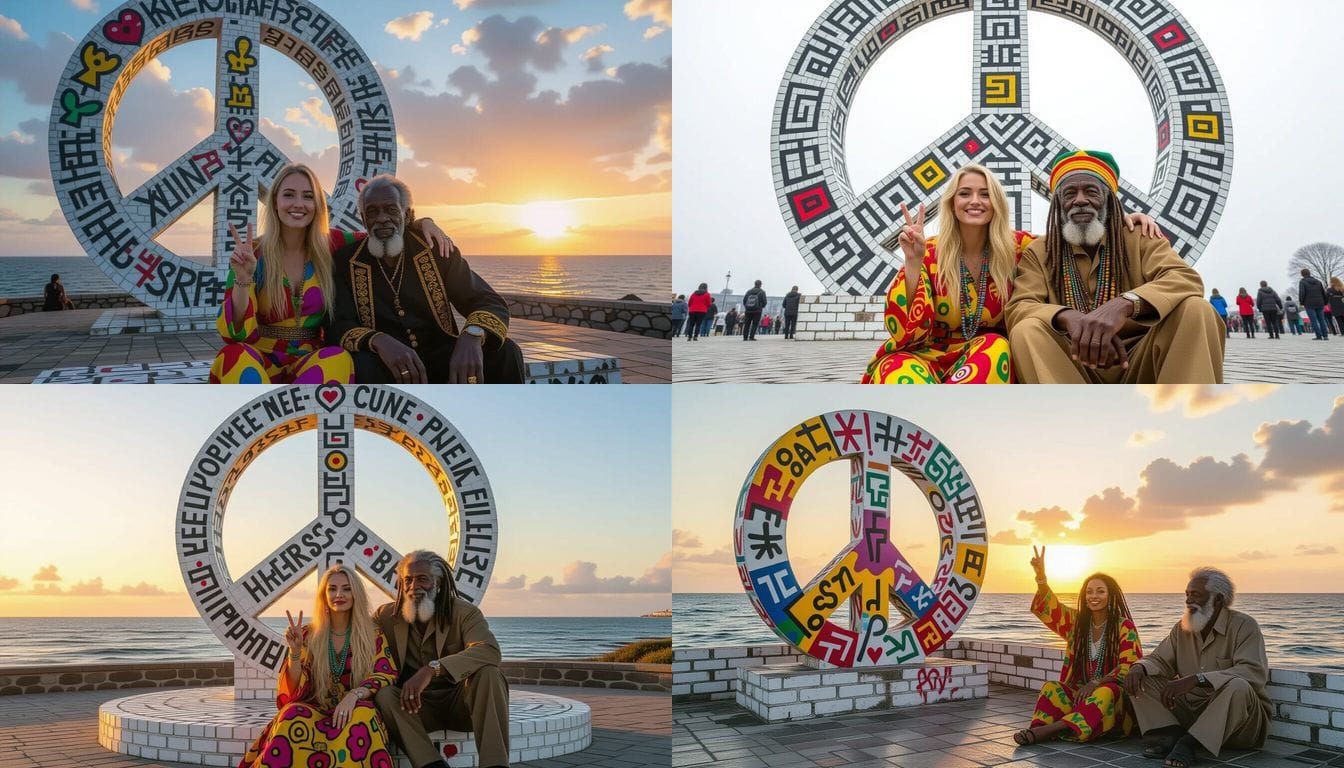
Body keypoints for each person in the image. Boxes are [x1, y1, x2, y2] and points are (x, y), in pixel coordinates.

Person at [865, 162, 1161, 384]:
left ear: (996, 203)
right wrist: (913, 261)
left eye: (985, 194)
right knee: (898, 374)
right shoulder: (927, 250)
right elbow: (903, 333)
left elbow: (1070, 237)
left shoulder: (1021, 247)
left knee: (995, 348)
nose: (975, 201)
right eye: (965, 194)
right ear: (952, 203)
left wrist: (1117, 218)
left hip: (986, 355)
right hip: (922, 353)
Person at [210, 164, 454, 384]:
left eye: (308, 196)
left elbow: (382, 228)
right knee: (234, 356)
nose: (298, 204)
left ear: (318, 204)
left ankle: (302, 416)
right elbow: (234, 334)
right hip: (258, 357)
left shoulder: (333, 244)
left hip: (310, 361)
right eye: (289, 195)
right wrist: (243, 278)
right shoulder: (252, 253)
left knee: (337, 359)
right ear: (274, 201)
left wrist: (422, 223)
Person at [1006, 151, 1224, 383]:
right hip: (1073, 363)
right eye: (1069, 194)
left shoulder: (1139, 236)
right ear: (1058, 204)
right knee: (1026, 330)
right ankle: (1068, 406)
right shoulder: (1041, 250)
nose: (1080, 200)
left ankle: (1184, 405)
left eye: (1091, 192)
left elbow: (1184, 278)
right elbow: (1021, 305)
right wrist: (1071, 318)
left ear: (1109, 200)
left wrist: (1125, 304)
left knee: (1196, 308)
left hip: (1141, 359)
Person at [329, 175, 524, 384]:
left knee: (506, 351)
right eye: (372, 211)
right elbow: (340, 324)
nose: (382, 218)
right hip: (386, 367)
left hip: (446, 362)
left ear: (407, 214)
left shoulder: (435, 249)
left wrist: (472, 335)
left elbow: (488, 301)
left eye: (391, 209)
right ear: (363, 218)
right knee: (362, 363)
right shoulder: (346, 261)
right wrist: (379, 340)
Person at [240, 564, 398, 768]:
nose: (339, 594)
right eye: (332, 589)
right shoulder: (308, 634)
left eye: (346, 589)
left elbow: (386, 674)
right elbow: (294, 690)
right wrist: (295, 651)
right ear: (324, 595)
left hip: (356, 707)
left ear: (356, 594)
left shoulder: (373, 634)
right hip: (318, 708)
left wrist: (353, 696)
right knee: (291, 714)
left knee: (362, 716)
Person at [373, 551, 510, 768]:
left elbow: (488, 650)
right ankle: (431, 764)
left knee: (489, 673)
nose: (414, 586)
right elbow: (356, 638)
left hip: (461, 705)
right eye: (408, 580)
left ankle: (495, 765)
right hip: (414, 708)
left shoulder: (465, 612)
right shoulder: (385, 616)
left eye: (423, 579)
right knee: (385, 694)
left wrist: (432, 669)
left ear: (438, 582)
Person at [1125, 568, 1271, 768]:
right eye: (1187, 594)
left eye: (1195, 594)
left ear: (1218, 599)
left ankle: (1189, 744)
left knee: (1239, 686)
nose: (1188, 600)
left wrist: (1198, 679)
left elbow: (1253, 673)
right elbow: (1159, 660)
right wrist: (1139, 668)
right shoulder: (1182, 628)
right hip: (1191, 714)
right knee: (1144, 678)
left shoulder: (1245, 626)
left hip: (1237, 724)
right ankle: (1171, 735)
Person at [1014, 546, 1142, 746]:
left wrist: (1097, 682)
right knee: (1051, 688)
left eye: (1100, 591)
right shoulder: (1078, 624)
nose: (1094, 596)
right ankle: (1048, 726)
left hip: (1113, 702)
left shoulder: (1124, 627)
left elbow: (1129, 667)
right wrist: (1041, 578)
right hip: (1081, 693)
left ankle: (1047, 731)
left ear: (1110, 596)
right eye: (1089, 592)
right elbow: (1052, 609)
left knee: (1106, 692)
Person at [1298, 268, 1329, 340]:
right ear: (1309, 273)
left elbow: (1302, 293)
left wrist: (1301, 302)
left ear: (1302, 274)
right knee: (1322, 319)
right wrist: (1325, 302)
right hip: (1320, 302)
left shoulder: (1302, 282)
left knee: (1313, 320)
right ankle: (1325, 336)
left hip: (1309, 303)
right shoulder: (1318, 281)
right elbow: (1323, 292)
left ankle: (1319, 336)